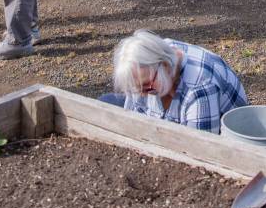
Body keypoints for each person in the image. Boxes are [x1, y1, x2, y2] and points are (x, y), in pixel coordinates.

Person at [103, 30, 248, 133]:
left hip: (221, 138)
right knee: (106, 103)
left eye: (146, 86)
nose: (141, 94)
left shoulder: (200, 87)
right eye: (136, 88)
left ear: (165, 66)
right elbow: (136, 118)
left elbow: (200, 150)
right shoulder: (153, 60)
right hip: (178, 119)